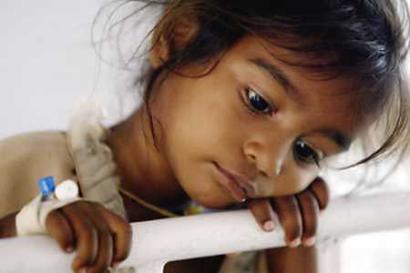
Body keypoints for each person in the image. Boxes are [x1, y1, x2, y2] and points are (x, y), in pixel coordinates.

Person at [0, 0, 409, 273]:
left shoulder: (252, 239)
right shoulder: (26, 165)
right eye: (258, 102)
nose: (270, 163)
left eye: (306, 151)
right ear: (178, 39)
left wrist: (294, 245)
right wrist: (25, 232)